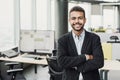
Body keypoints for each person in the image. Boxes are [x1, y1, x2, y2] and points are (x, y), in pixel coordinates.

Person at [57, 6, 104, 80]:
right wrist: (85, 57)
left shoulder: (94, 38)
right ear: (69, 20)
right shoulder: (62, 40)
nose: (77, 21)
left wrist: (78, 66)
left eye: (80, 18)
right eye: (73, 18)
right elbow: (62, 62)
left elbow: (99, 61)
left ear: (85, 20)